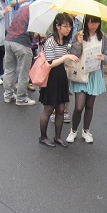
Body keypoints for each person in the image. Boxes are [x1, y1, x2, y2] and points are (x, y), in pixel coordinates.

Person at [66, 15, 107, 143]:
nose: (94, 25)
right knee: (79, 106)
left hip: (95, 74)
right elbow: (74, 54)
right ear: (86, 22)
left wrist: (103, 58)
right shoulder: (79, 34)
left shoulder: (103, 36)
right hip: (81, 73)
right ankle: (73, 131)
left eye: (96, 23)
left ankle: (86, 130)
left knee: (89, 105)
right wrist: (78, 43)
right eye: (91, 22)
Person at [38, 12, 79, 147]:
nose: (68, 29)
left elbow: (63, 61)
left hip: (61, 76)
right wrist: (66, 57)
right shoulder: (50, 41)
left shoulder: (65, 41)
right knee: (49, 109)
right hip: (51, 77)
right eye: (65, 26)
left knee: (61, 108)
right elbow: (50, 63)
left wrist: (70, 59)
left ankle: (58, 137)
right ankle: (43, 137)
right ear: (57, 26)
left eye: (70, 27)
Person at [2, 4, 36, 106]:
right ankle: (21, 98)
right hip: (22, 43)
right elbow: (33, 32)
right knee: (24, 72)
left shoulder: (24, 7)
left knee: (9, 70)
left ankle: (8, 95)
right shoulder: (36, 11)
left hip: (9, 39)